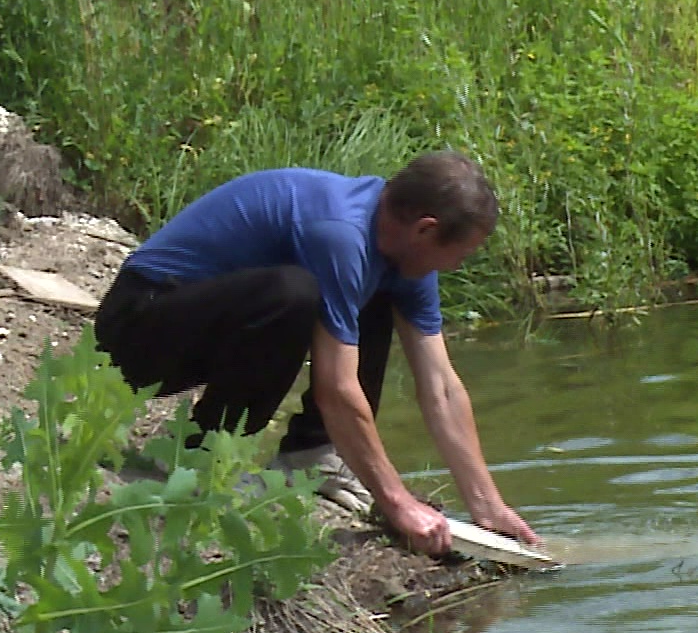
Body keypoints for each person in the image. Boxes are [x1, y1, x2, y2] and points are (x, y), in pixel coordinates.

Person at [92, 151, 539, 556]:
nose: (455, 267)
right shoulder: (341, 234)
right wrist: (399, 503)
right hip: (139, 329)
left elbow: (441, 385)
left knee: (368, 295)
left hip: (205, 322)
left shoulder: (404, 257)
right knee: (292, 294)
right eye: (459, 254)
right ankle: (200, 458)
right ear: (426, 229)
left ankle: (310, 454)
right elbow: (336, 388)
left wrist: (488, 506)